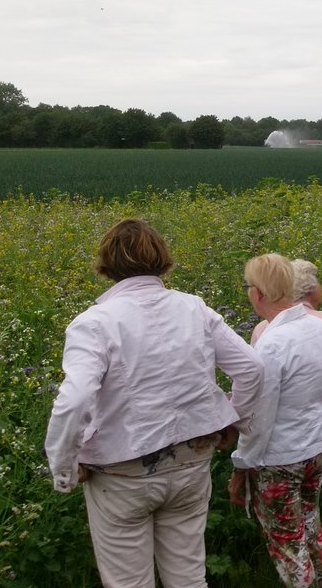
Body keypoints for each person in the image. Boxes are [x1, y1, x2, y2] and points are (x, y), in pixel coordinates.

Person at [45, 219, 264, 588]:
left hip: (121, 475)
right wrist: (231, 418)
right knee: (190, 578)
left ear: (107, 264)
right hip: (191, 462)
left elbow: (76, 397)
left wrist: (64, 468)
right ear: (162, 258)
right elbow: (252, 368)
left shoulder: (95, 322)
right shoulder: (194, 308)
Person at [231, 253, 322, 586]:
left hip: (281, 456)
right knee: (309, 522)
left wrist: (241, 465)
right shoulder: (319, 328)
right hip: (319, 445)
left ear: (258, 294)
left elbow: (259, 418)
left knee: (288, 544)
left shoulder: (270, 345)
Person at [253, 260, 322, 572]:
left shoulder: (263, 329)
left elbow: (258, 389)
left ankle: (305, 567)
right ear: (310, 288)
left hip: (284, 431)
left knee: (300, 507)